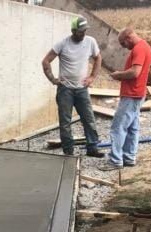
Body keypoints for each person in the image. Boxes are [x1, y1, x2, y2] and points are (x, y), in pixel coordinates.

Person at [42, 17, 104, 158]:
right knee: (65, 122)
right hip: (65, 90)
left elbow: (98, 57)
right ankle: (68, 152)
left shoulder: (90, 42)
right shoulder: (62, 44)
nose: (83, 33)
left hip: (82, 89)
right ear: (73, 31)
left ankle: (92, 148)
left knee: (89, 119)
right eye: (80, 31)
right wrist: (53, 80)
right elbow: (46, 61)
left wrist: (93, 77)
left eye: (84, 31)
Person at [103, 28, 151, 169]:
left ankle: (115, 161)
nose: (124, 47)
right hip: (137, 93)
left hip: (132, 94)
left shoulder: (139, 49)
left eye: (123, 44)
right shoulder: (144, 47)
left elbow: (135, 72)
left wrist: (118, 75)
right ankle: (129, 157)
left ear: (128, 38)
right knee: (132, 128)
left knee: (118, 127)